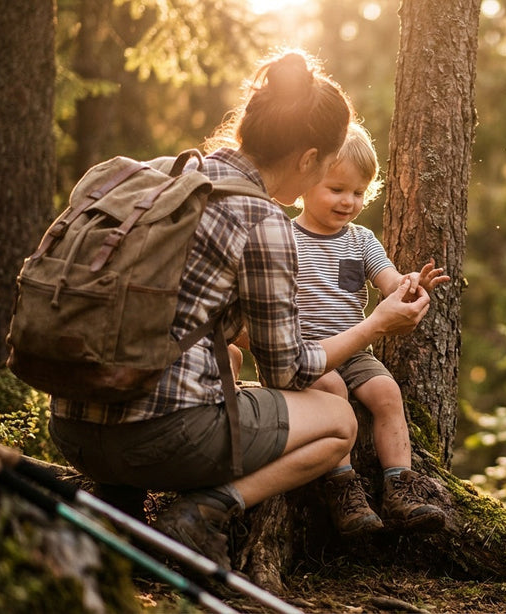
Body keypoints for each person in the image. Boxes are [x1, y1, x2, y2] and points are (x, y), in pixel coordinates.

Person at [46, 50, 431, 569]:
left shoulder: (163, 177)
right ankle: (203, 513)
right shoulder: (263, 220)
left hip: (72, 428)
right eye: (326, 169)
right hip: (159, 442)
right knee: (338, 416)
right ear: (307, 158)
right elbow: (288, 370)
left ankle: (119, 500)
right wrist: (378, 324)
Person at [291, 122, 450, 536]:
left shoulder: (361, 241)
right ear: (306, 182)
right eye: (337, 189)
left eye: (359, 192)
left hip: (357, 351)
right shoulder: (285, 236)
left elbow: (388, 279)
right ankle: (343, 488)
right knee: (332, 392)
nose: (349, 201)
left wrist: (410, 285)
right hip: (309, 352)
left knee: (386, 392)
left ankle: (400, 486)